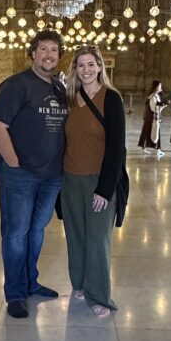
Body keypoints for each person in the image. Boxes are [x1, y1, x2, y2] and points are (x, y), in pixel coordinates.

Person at [0, 29, 68, 319]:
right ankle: (15, 293)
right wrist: (13, 163)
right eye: (43, 49)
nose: (49, 55)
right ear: (33, 53)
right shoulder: (17, 84)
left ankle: (31, 283)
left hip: (52, 175)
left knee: (36, 231)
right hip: (20, 174)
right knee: (16, 233)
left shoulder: (59, 87)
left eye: (54, 50)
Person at [61, 46, 127, 318]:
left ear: (100, 67)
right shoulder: (70, 98)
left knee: (98, 239)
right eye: (80, 65)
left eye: (91, 65)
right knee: (76, 235)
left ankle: (99, 295)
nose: (86, 70)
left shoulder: (111, 99)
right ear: (75, 69)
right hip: (70, 178)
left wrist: (104, 189)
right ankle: (79, 284)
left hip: (99, 180)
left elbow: (116, 147)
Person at [138, 80, 165, 158]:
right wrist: (163, 106)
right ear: (156, 87)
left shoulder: (156, 95)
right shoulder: (153, 96)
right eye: (159, 86)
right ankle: (147, 147)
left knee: (151, 132)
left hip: (152, 118)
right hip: (151, 118)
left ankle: (156, 149)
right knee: (148, 132)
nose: (161, 87)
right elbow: (154, 108)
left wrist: (162, 106)